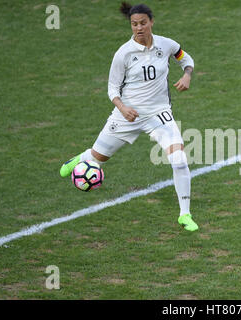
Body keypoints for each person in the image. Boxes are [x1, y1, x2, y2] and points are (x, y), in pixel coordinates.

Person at [60, 2, 198, 232]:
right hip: (127, 116)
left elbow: (186, 59)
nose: (139, 28)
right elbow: (112, 89)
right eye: (134, 24)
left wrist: (187, 75)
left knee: (180, 161)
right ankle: (80, 159)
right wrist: (123, 109)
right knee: (98, 158)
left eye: (143, 23)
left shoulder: (167, 44)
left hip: (159, 114)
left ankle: (185, 215)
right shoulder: (123, 54)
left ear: (151, 22)